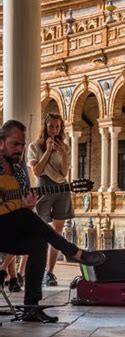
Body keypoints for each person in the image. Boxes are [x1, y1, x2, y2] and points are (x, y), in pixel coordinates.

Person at [0, 119, 105, 323]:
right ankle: (73, 252)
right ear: (1, 142)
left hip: (7, 230)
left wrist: (28, 204)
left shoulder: (19, 172)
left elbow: (18, 205)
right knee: (26, 217)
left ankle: (31, 307)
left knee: (38, 243)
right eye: (15, 144)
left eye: (22, 145)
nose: (20, 149)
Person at [27, 112, 74, 287]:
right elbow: (37, 171)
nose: (54, 130)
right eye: (51, 126)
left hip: (61, 189)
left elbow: (64, 173)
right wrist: (47, 151)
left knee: (57, 233)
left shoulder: (65, 147)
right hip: (44, 189)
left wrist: (62, 153)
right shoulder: (35, 147)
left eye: (57, 126)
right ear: (45, 127)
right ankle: (24, 271)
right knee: (37, 230)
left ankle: (50, 272)